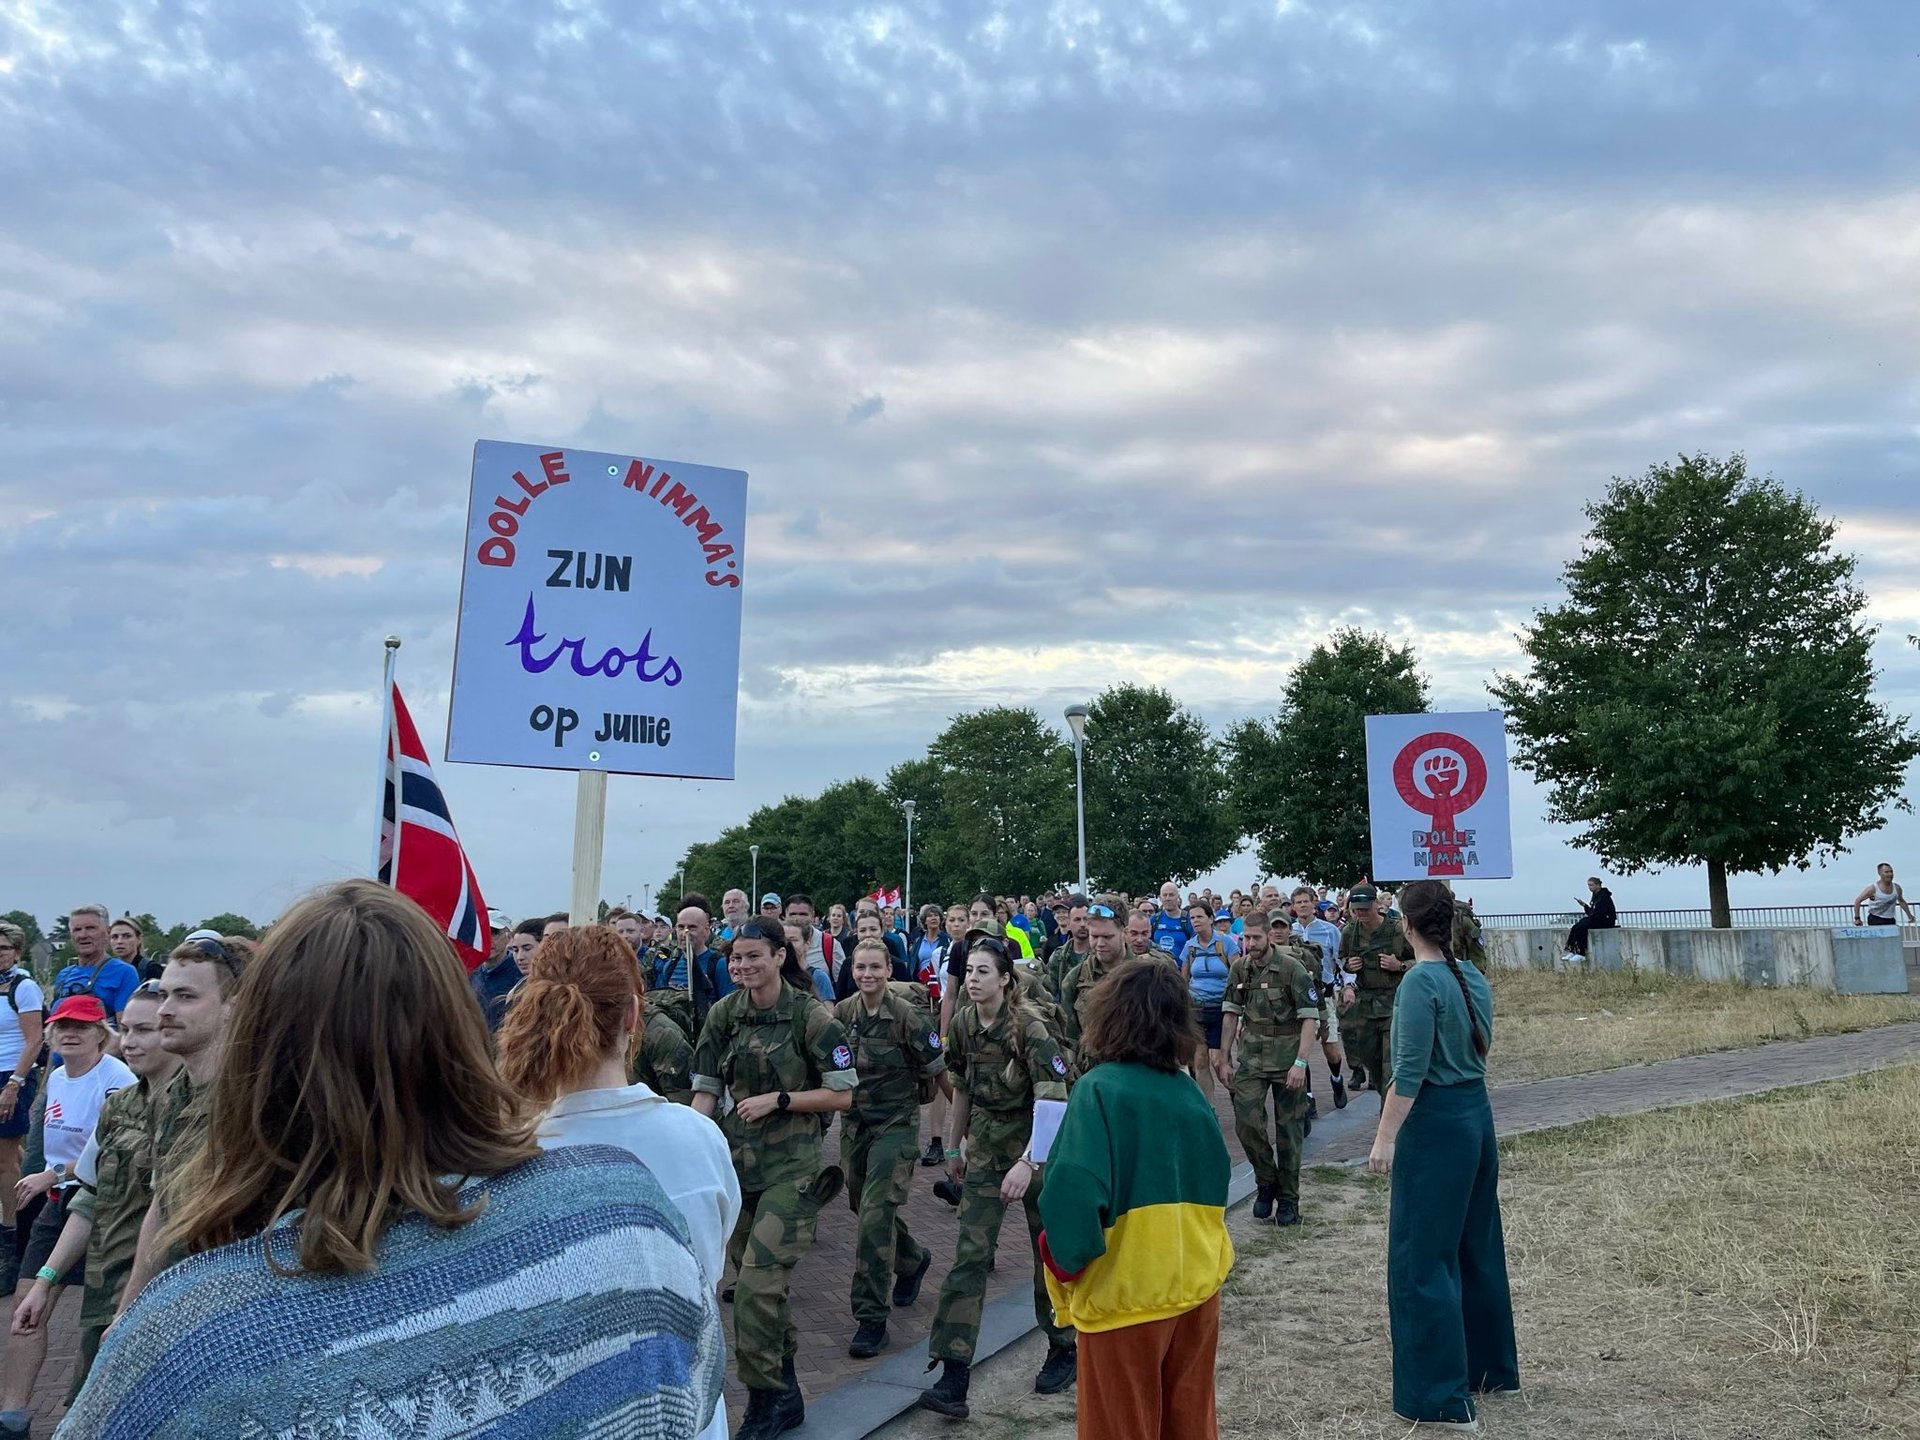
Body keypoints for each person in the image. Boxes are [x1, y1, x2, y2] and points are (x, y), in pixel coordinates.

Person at [65, 879, 725, 1439]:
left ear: (256, 1060)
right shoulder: (631, 1219)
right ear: (462, 1033)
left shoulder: (190, 1338)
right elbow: (694, 1391)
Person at [496, 923, 740, 1440]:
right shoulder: (698, 1139)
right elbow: (713, 1257)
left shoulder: (508, 1155)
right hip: (691, 1406)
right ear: (634, 1013)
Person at [1038, 958, 1234, 1440]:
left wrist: (1061, 1267)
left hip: (1126, 1296)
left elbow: (1073, 1198)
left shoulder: (1097, 1091)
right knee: (1190, 1424)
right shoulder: (1188, 1093)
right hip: (1196, 1287)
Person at [691, 917, 857, 1440]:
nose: (742, 966)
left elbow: (844, 1093)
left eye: (753, 956)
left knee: (756, 1287)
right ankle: (786, 1392)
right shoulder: (723, 1015)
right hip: (738, 1171)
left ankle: (762, 1402)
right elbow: (706, 1088)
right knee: (763, 1292)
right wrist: (694, 1144)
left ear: (780, 956)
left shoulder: (812, 1018)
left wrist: (780, 1100)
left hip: (795, 1172)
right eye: (735, 958)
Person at [1368, 880, 1519, 1431]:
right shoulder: (1472, 976)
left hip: (1435, 1125)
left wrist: (1384, 1138)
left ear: (1406, 926)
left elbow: (1408, 1073)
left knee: (1421, 1260)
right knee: (1476, 1247)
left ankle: (1438, 1397)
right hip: (1475, 1118)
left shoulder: (1418, 982)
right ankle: (1489, 1369)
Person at [920, 934, 1076, 1419]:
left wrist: (1028, 1163)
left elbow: (1054, 1101)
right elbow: (961, 1087)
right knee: (969, 1255)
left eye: (983, 971)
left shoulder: (1029, 1028)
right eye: (968, 972)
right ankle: (953, 1371)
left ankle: (1062, 1344)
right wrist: (953, 1145)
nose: (973, 979)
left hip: (1037, 1144)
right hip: (987, 1145)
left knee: (1044, 1250)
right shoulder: (964, 1022)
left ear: (1005, 979)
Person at [10, 983, 177, 1403]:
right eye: (127, 1029)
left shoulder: (133, 1087)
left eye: (146, 1029)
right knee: (32, 1312)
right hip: (89, 1243)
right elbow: (90, 1194)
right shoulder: (117, 1104)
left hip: (157, 1283)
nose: (132, 1041)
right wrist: (46, 1280)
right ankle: (12, 1417)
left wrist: (49, 1175)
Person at [0, 995, 133, 1437]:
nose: (70, 1032)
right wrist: (42, 1179)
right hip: (57, 1202)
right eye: (62, 1025)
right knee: (26, 1305)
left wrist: (48, 1174)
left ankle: (89, 1416)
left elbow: (111, 1154)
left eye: (82, 1025)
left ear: (101, 1033)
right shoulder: (56, 1076)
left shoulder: (118, 1079)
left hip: (106, 1202)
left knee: (102, 1320)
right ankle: (13, 1416)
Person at [114, 933, 251, 1315]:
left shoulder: (256, 1100)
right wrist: (129, 1309)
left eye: (185, 996)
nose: (164, 1011)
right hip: (173, 1298)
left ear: (232, 1006)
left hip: (228, 1308)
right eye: (165, 995)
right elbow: (162, 1202)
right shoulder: (174, 1092)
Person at [835, 938, 949, 1358]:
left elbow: (940, 1073)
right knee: (860, 1205)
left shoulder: (907, 1016)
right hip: (855, 1126)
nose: (867, 975)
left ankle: (871, 1319)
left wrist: (963, 1136)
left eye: (875, 968)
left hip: (896, 1125)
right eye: (861, 968)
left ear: (888, 971)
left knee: (876, 1213)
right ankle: (913, 1258)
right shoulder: (841, 1014)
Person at [1216, 911, 1320, 1226]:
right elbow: (1231, 1014)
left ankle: (1288, 1200)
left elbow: (1309, 1018)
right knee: (1246, 1123)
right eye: (1245, 938)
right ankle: (1266, 1180)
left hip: (1288, 1058)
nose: (1250, 944)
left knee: (1289, 1131)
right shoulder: (1239, 968)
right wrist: (1224, 1057)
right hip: (1251, 1057)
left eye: (1255, 938)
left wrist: (1301, 1062)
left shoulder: (1292, 969)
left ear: (1268, 936)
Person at [1341, 883, 1414, 1098]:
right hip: (1365, 1008)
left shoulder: (1398, 930)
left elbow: (1422, 959)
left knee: (1391, 1066)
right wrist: (1349, 966)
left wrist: (1398, 965)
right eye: (1356, 910)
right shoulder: (1349, 932)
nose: (1361, 913)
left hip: (1394, 1003)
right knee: (1371, 1063)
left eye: (1365, 908)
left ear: (1377, 904)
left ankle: (1390, 1115)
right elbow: (1342, 961)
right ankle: (1387, 1101)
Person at [0, 928, 42, 1273]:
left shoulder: (23, 987)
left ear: (16, 952)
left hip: (11, 1074)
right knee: (10, 1154)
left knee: (4, 1159)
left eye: (4, 948)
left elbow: (34, 1040)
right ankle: (32, 1191)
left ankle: (12, 1232)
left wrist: (14, 1083)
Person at [1290, 887, 1350, 1109]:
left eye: (1306, 901)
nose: (1303, 905)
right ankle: (1308, 1096)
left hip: (1324, 995)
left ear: (1314, 904)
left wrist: (1348, 984)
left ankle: (1336, 1079)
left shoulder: (1329, 930)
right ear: (1293, 906)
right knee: (1301, 1048)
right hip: (1299, 998)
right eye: (1298, 902)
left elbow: (1342, 961)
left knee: (1330, 1047)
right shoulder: (1289, 930)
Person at [1058, 899, 1129, 1060]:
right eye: (1094, 936)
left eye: (1107, 937)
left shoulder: (1146, 976)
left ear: (1124, 933)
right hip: (1092, 1073)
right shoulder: (1075, 979)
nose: (1100, 944)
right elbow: (1069, 1039)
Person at [1179, 901, 1234, 1101]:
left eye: (1199, 916)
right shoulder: (1190, 946)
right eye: (1192, 918)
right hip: (1197, 1009)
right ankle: (1209, 1111)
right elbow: (1183, 979)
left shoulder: (1226, 943)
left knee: (1218, 1061)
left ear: (1210, 919)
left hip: (1221, 1009)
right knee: (1200, 1061)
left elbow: (1238, 976)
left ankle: (1237, 1096)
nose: (1195, 921)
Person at [50, 907, 140, 1027]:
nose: (83, 935)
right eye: (77, 930)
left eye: (90, 928)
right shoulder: (63, 975)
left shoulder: (124, 972)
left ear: (107, 933)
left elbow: (125, 1029)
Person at [470, 910, 525, 1032]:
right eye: (483, 932)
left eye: (494, 932)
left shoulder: (520, 973)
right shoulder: (470, 972)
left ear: (509, 937)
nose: (488, 938)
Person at [781, 895, 840, 1004]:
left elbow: (840, 984)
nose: (797, 918)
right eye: (793, 914)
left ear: (812, 916)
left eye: (803, 914)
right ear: (785, 915)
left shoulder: (830, 944)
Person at [1563, 876, 1617, 962]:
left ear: (1598, 885)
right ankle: (1572, 950)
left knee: (1582, 926)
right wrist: (1585, 906)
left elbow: (1601, 913)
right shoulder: (1595, 896)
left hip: (1606, 921)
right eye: (1588, 885)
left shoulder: (1604, 897)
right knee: (1576, 926)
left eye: (1591, 885)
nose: (1590, 887)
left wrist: (1590, 917)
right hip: (1597, 918)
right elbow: (1592, 912)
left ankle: (1581, 953)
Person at [1853, 863, 1916, 927]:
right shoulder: (1873, 888)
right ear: (1880, 873)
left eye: (1891, 872)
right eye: (1886, 872)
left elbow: (1901, 901)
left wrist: (1909, 915)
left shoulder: (1897, 888)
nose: (1890, 874)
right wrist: (1857, 918)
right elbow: (1857, 901)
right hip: (1875, 919)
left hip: (1890, 919)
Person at [106, 918, 156, 984]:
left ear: (139, 939)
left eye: (127, 936)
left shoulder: (151, 968)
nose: (119, 941)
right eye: (114, 937)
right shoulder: (106, 969)